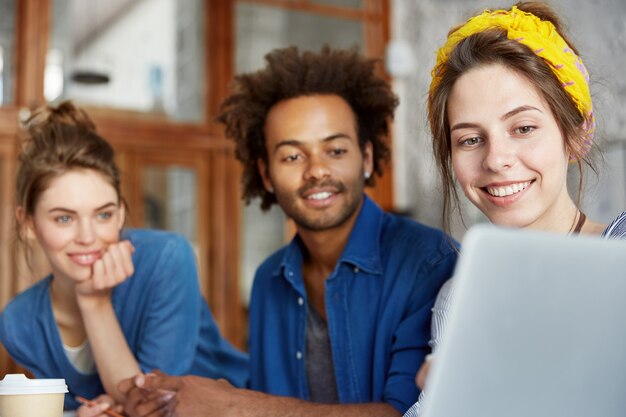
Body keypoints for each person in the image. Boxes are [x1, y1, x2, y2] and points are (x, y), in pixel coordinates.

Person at [119, 46, 458, 417]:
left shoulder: (429, 263)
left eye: (335, 150)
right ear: (265, 174)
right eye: (292, 156)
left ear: (367, 158)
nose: (315, 170)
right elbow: (265, 400)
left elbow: (412, 413)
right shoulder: (270, 280)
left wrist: (234, 405)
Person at [403, 2, 626, 416]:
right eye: (470, 139)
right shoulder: (458, 300)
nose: (496, 159)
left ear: (576, 135)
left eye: (523, 128)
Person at [0, 102, 248, 416]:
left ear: (120, 213)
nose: (88, 237)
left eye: (103, 214)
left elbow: (153, 408)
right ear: (29, 225)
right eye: (64, 219)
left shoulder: (166, 259)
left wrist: (94, 301)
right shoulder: (20, 324)